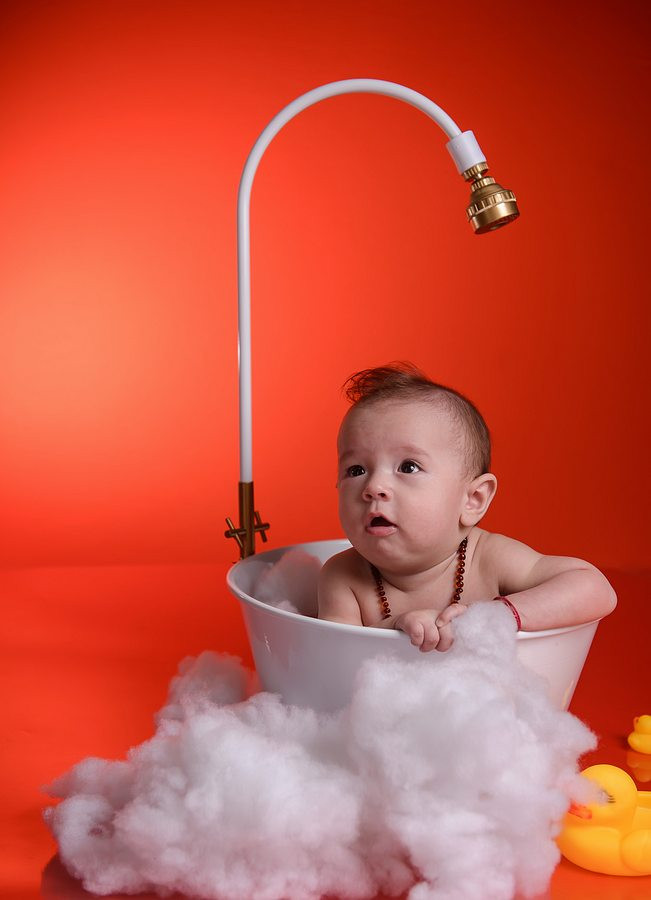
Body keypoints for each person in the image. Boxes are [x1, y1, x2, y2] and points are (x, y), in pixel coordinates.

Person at [317, 363, 617, 652]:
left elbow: (594, 588)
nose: (373, 487)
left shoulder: (489, 559)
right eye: (356, 470)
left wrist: (499, 616)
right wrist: (396, 626)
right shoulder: (343, 576)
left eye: (408, 467)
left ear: (473, 499)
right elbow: (336, 656)